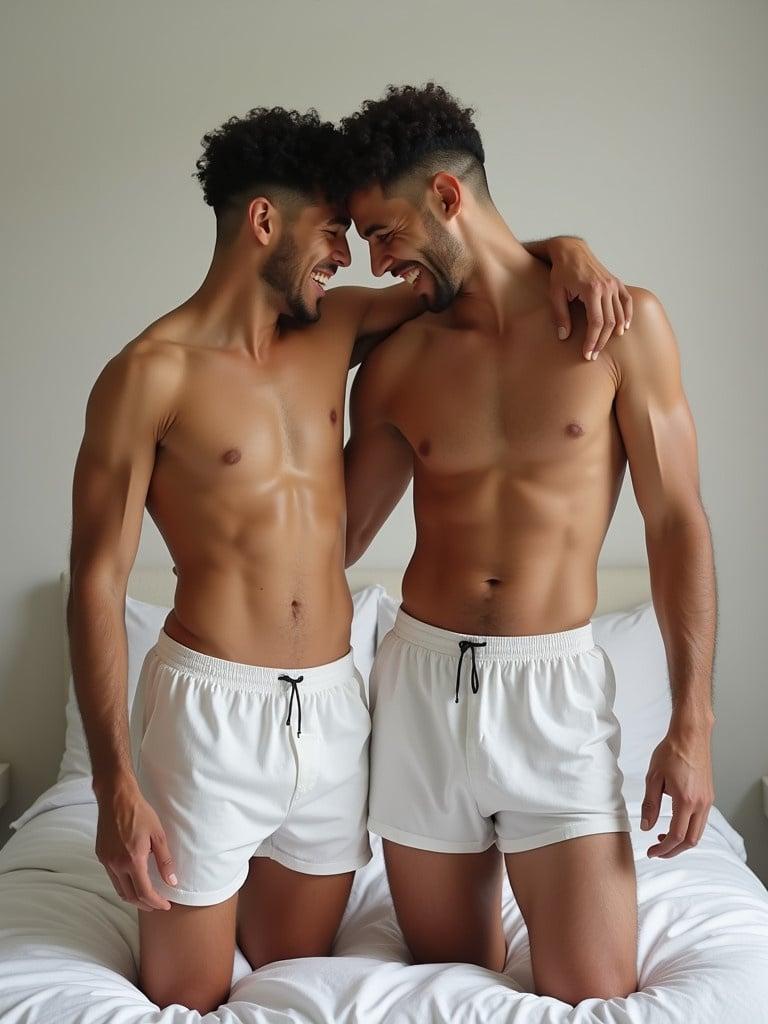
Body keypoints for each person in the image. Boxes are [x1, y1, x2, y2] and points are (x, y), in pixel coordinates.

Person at [67, 104, 632, 1014]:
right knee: (190, 997)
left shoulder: (335, 333)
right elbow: (96, 580)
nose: (350, 256)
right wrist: (113, 784)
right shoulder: (149, 374)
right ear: (263, 223)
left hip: (332, 718)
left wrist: (568, 247)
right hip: (209, 710)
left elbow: (462, 265)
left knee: (290, 969)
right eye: (333, 232)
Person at [342, 83, 716, 1005]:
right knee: (451, 990)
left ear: (446, 196)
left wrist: (692, 726)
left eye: (385, 232)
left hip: (552, 697)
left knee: (594, 989)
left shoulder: (621, 329)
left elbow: (677, 527)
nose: (377, 260)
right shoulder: (397, 363)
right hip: (422, 691)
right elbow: (337, 539)